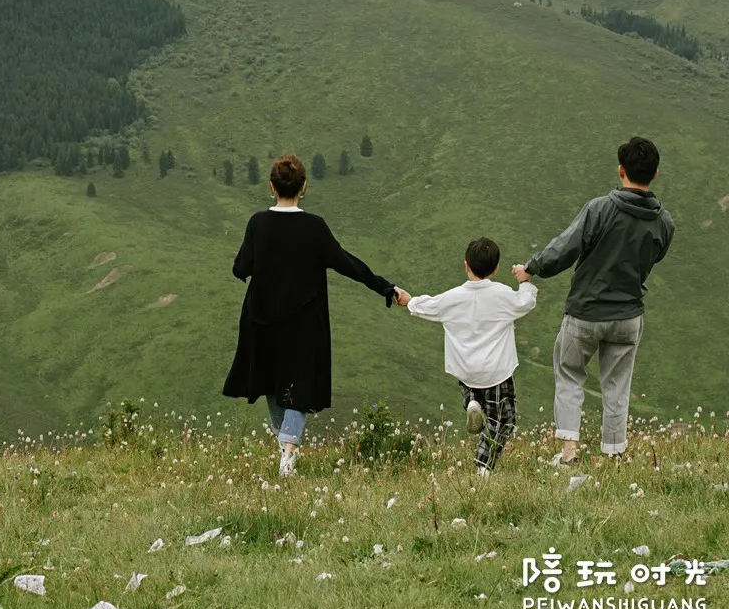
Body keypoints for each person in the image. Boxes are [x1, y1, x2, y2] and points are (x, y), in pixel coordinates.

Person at [223, 154, 399, 478]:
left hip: (260, 321)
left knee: (273, 385)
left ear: (270, 186)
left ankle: (286, 449)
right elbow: (347, 263)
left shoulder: (257, 224)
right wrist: (386, 288)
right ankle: (288, 450)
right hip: (303, 325)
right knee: (299, 387)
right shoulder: (314, 227)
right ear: (304, 187)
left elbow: (240, 268)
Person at [512, 136, 674, 464]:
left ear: (620, 171)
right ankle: (614, 453)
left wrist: (531, 268)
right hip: (629, 315)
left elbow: (565, 248)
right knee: (617, 384)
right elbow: (653, 258)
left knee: (570, 373)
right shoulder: (664, 222)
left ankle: (569, 451)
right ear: (655, 174)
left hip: (586, 312)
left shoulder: (600, 209)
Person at [395, 238, 537, 475]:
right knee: (503, 421)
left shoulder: (452, 297)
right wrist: (525, 282)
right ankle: (483, 467)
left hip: (466, 372)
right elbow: (526, 302)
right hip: (496, 373)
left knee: (477, 395)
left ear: (466, 265)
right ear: (496, 269)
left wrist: (409, 301)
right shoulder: (502, 295)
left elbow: (428, 306)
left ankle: (472, 401)